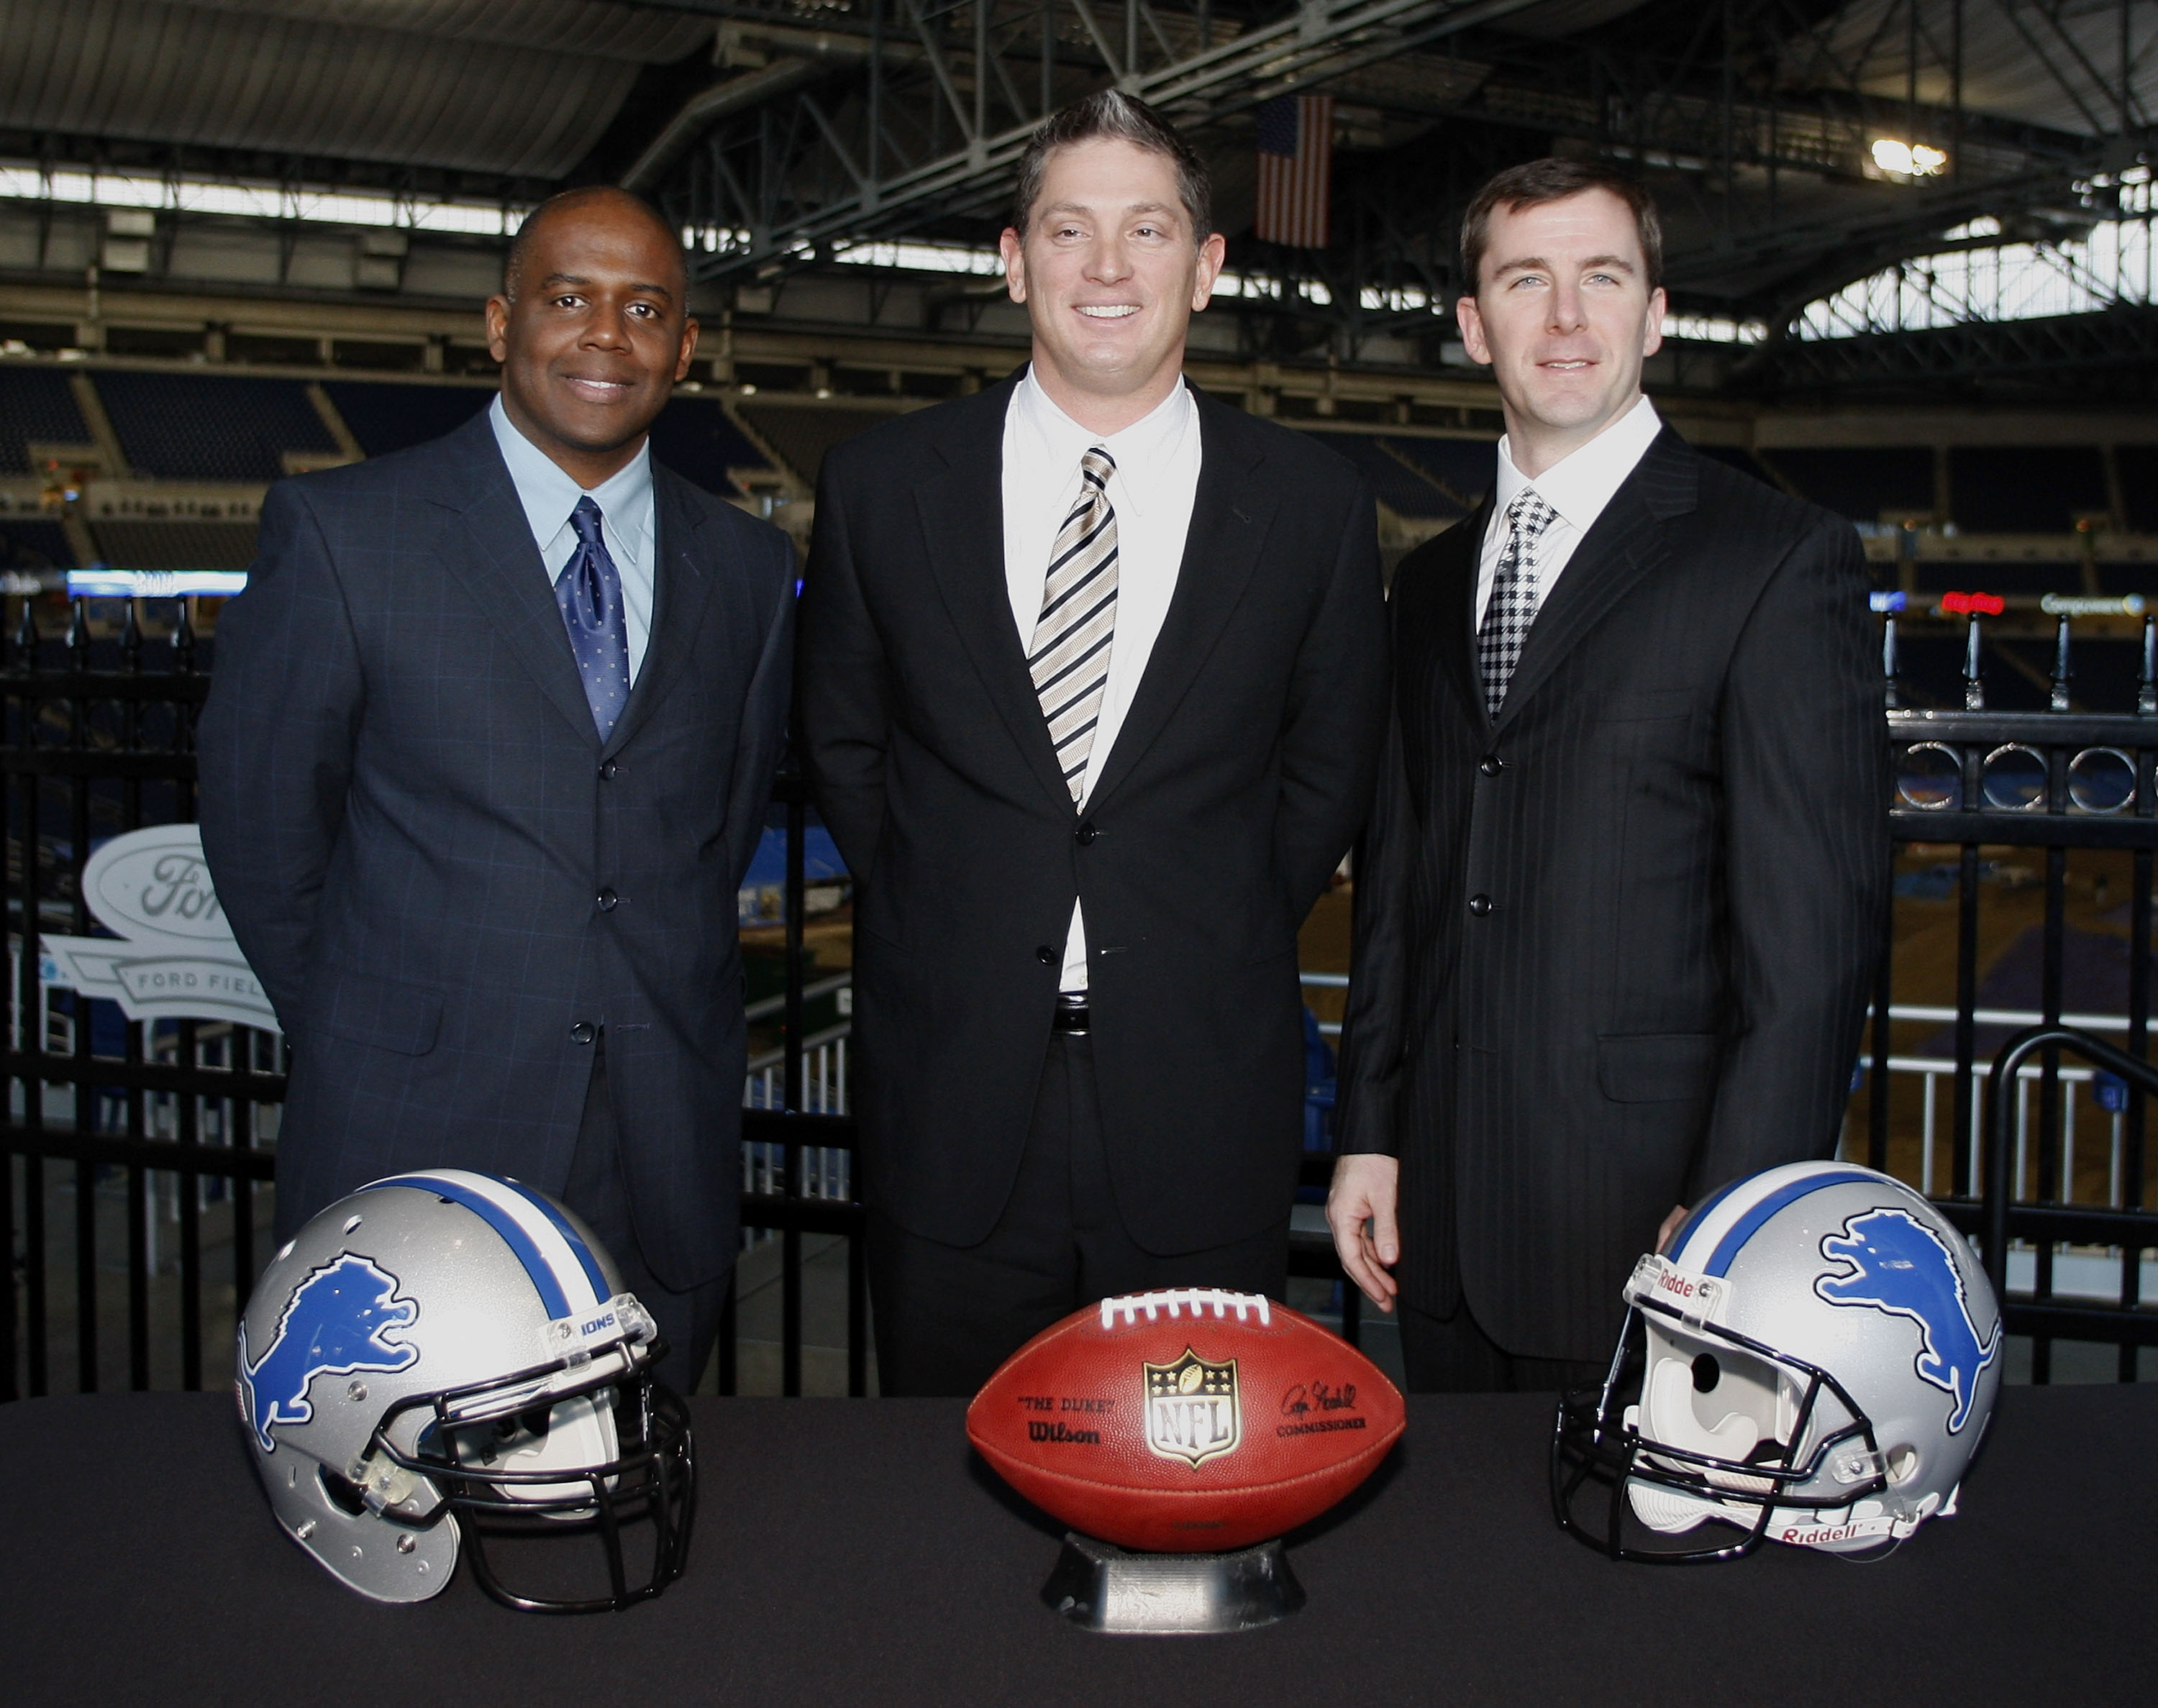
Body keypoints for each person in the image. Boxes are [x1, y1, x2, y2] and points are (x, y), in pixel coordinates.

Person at [798, 90, 1388, 1397]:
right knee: (943, 1513)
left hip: (1198, 1106)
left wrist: (1204, 909)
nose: (1109, 269)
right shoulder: (881, 485)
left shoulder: (1311, 505)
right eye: (1069, 230)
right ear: (1015, 261)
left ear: (1209, 264)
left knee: (1187, 1505)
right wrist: (956, 898)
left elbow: (1326, 771)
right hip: (953, 1101)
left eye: (1149, 231)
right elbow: (845, 740)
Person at [198, 186, 796, 1393]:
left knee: (635, 1517)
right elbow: (263, 828)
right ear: (498, 321)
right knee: (402, 1514)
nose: (604, 335)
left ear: (684, 347)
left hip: (656, 1136)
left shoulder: (745, 562)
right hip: (413, 1122)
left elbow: (713, 829)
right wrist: (375, 1032)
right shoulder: (343, 530)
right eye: (567, 297)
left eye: (644, 308)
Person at [1327, 159, 1887, 1393]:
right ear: (1477, 327)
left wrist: (1734, 1216)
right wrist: (1370, 1129)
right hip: (1442, 1224)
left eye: (1603, 278)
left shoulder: (1779, 559)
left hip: (1651, 1228)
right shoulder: (1426, 582)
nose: (1568, 317)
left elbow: (1811, 954)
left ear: (1655, 312)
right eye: (1528, 281)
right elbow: (1402, 885)